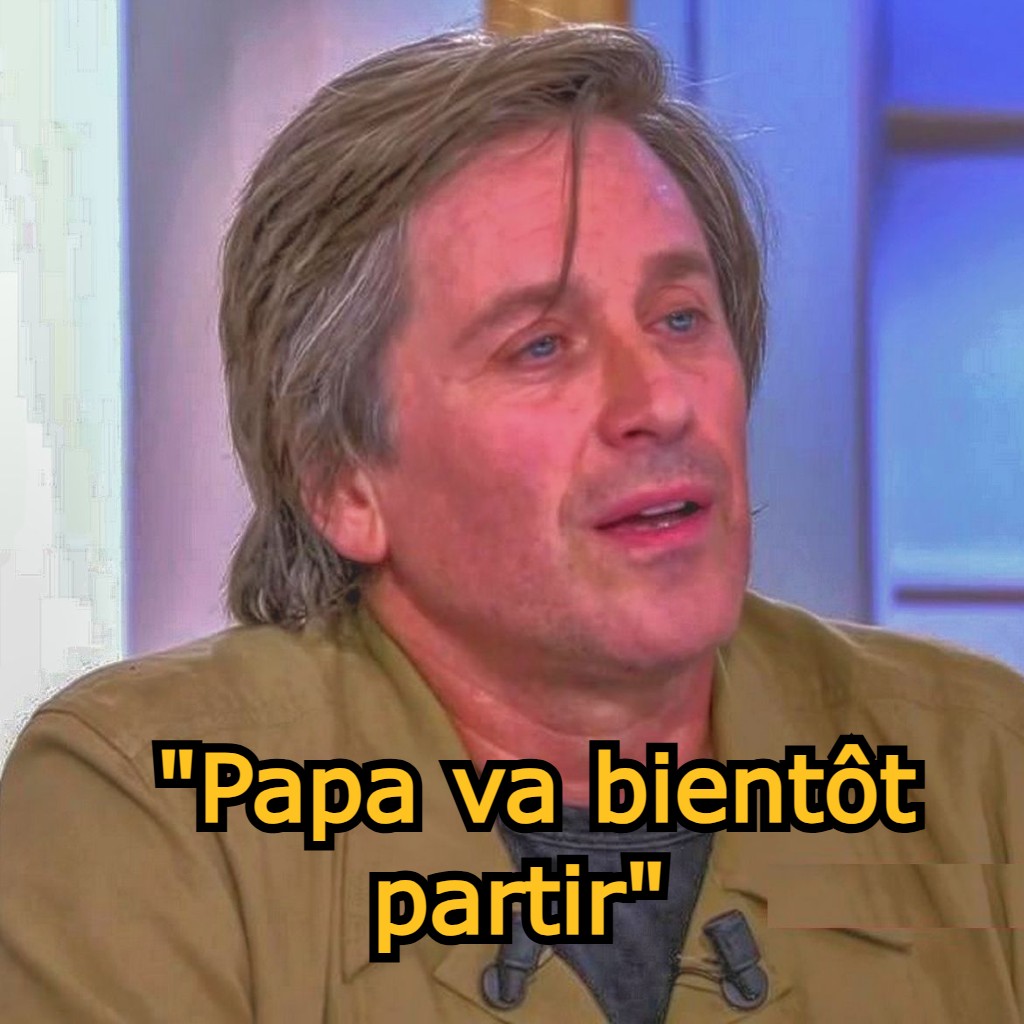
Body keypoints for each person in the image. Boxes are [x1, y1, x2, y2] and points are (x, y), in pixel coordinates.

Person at [1, 24, 1022, 1024]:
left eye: (679, 318)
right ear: (343, 480)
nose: (661, 401)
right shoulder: (157, 813)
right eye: (541, 346)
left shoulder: (981, 767)